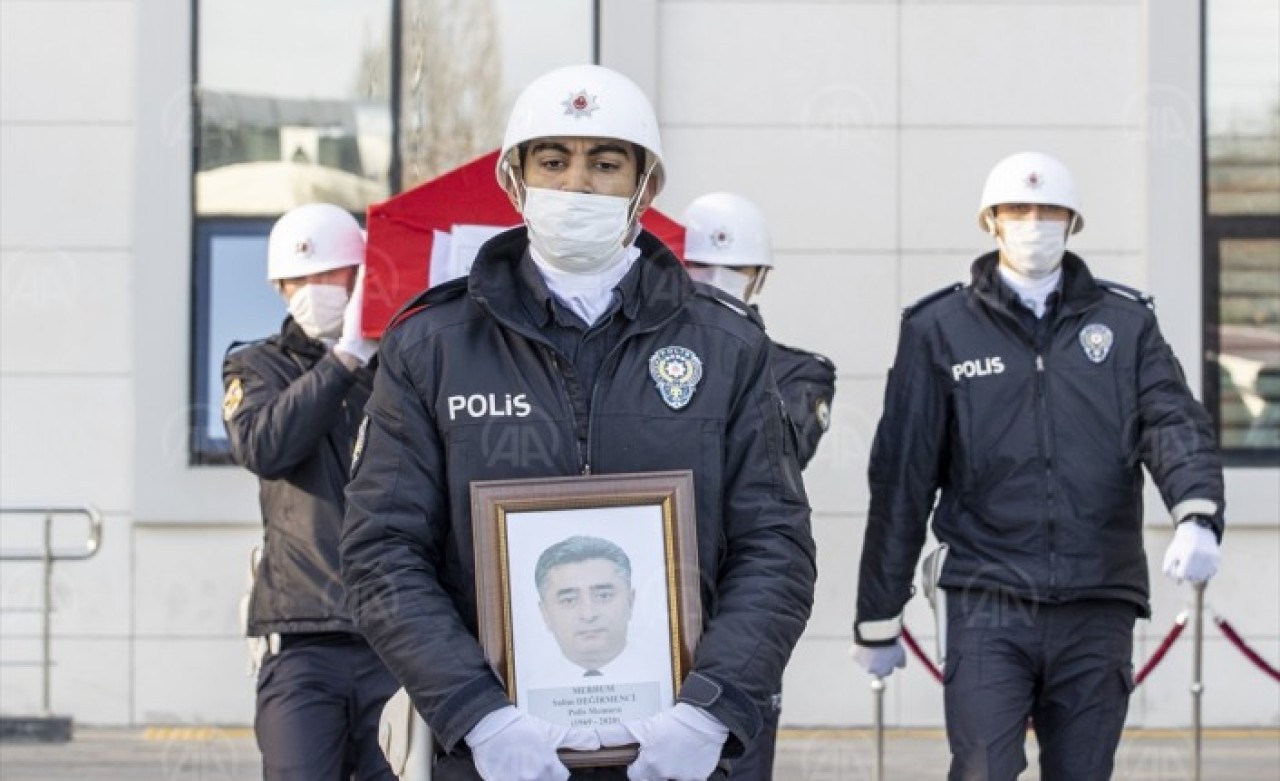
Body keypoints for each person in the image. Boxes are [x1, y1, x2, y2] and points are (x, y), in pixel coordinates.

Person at [340, 63, 816, 781]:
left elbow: (775, 547)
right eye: (553, 161)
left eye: (605, 163)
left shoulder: (727, 346)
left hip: (684, 752)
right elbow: (382, 550)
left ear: (645, 186)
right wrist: (477, 712)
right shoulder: (432, 344)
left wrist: (710, 708)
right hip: (493, 754)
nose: (577, 184)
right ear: (516, 181)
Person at [850, 151, 1226, 780]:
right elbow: (903, 478)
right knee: (983, 770)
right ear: (991, 221)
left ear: (1073, 222)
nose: (1033, 222)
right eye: (1017, 210)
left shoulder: (1125, 324)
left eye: (1048, 209)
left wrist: (1196, 511)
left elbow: (1171, 421)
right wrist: (877, 614)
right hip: (986, 596)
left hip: (1097, 596)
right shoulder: (938, 328)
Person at [222, 203, 397, 780]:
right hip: (301, 637)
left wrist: (373, 355)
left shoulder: (402, 365)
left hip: (395, 634)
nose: (314, 288)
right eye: (300, 278)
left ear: (361, 275)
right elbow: (266, 446)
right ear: (278, 285)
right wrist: (345, 358)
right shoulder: (256, 364)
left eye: (330, 274)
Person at [682, 191, 836, 778]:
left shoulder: (797, 370)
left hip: (741, 612)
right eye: (698, 269)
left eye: (735, 269)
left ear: (760, 279)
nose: (715, 280)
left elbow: (785, 448)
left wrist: (727, 347)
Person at [535, 536, 635, 677]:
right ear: (545, 614)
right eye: (569, 600)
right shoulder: (524, 688)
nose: (588, 615)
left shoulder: (666, 679)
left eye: (603, 596)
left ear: (630, 602)